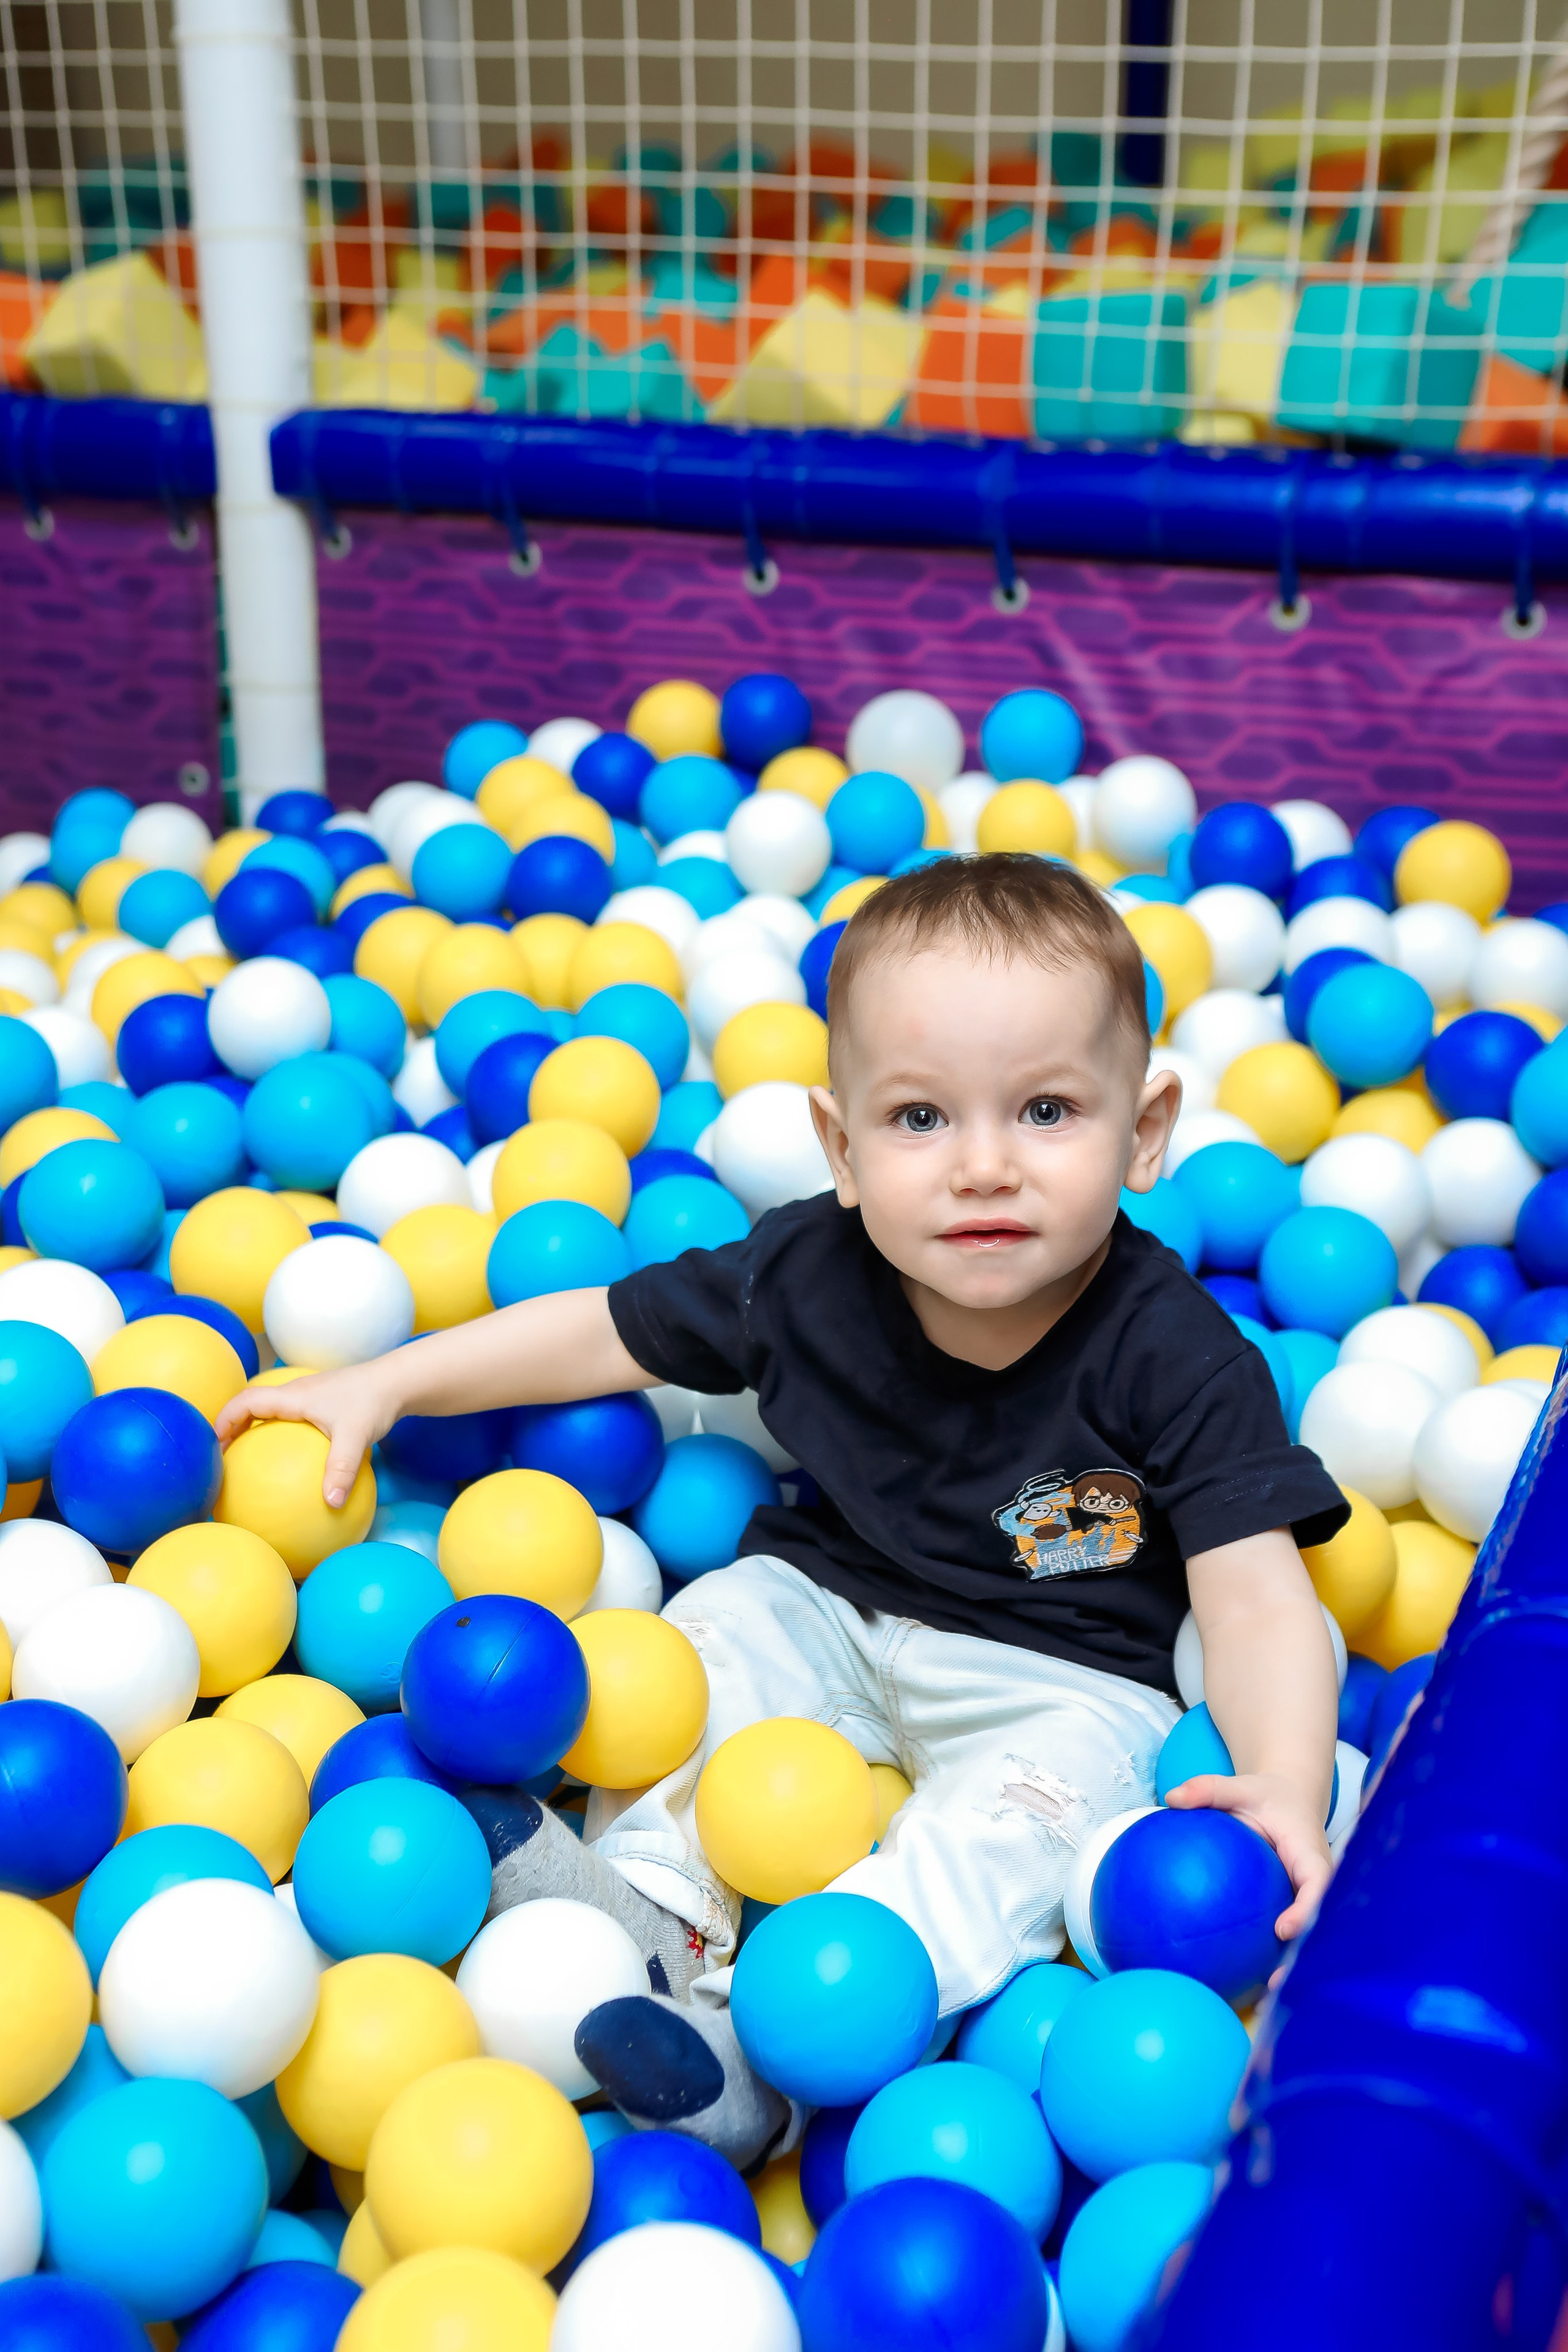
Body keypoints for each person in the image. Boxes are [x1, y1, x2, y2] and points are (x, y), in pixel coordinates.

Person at [218, 853, 1347, 2163]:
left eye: (1046, 1111)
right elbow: (603, 1333)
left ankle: (787, 2051)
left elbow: (1255, 1589)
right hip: (826, 1601)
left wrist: (1282, 1784)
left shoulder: (1176, 1351)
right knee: (707, 1647)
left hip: (1063, 1674)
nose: (983, 1167)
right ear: (842, 1147)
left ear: (1142, 1131)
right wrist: (393, 1381)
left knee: (1021, 1827)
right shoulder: (806, 1271)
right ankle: (647, 1920)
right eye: (920, 1119)